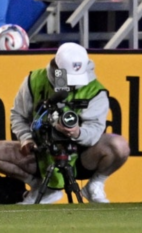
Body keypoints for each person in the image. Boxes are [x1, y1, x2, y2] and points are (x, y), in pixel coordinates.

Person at [0, 42, 130, 204]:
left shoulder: (95, 90)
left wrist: (77, 132)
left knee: (119, 145)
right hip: (40, 151)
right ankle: (40, 187)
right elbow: (18, 115)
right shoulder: (34, 80)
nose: (73, 83)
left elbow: (95, 129)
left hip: (81, 155)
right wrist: (26, 138)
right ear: (57, 69)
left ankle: (96, 184)